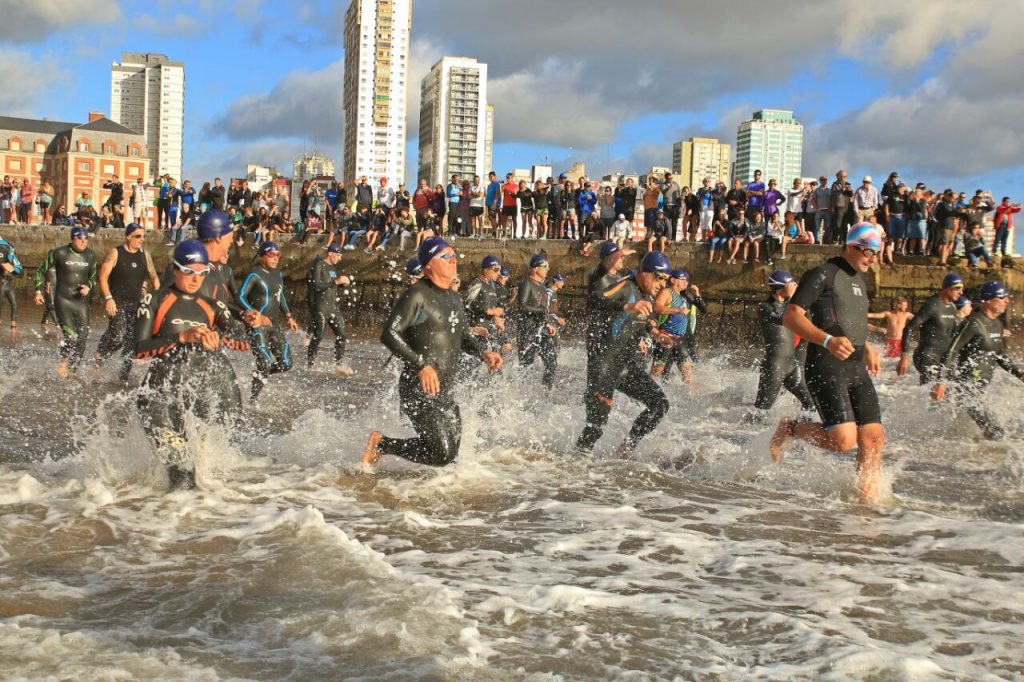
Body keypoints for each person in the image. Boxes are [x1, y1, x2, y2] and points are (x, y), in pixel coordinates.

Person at [361, 238, 504, 469]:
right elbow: (389, 334)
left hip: (444, 389)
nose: (453, 259)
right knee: (441, 454)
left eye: (453, 255)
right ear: (428, 265)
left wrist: (484, 353)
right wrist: (422, 365)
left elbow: (461, 336)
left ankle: (433, 495)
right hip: (419, 388)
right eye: (445, 256)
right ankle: (382, 445)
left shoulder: (454, 297)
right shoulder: (416, 294)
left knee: (451, 453)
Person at [771, 223, 886, 503]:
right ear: (851, 246)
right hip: (825, 363)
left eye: (877, 252)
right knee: (843, 441)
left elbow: (850, 321)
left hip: (855, 365)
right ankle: (790, 428)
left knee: (873, 437)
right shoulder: (822, 274)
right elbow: (792, 316)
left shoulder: (859, 280)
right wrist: (826, 341)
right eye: (869, 251)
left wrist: (868, 347)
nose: (873, 258)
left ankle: (866, 506)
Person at [135, 239, 248, 489]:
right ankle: (159, 520)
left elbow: (243, 339)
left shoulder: (210, 305)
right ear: (175, 269)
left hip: (186, 399)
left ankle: (178, 521)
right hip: (156, 400)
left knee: (199, 478)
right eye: (189, 271)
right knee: (183, 475)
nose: (196, 279)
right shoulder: (155, 300)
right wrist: (181, 337)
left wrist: (220, 337)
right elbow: (139, 350)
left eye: (202, 272)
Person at [577, 251, 673, 455]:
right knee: (595, 429)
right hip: (603, 367)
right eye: (660, 278)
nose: (662, 285)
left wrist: (655, 334)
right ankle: (571, 469)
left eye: (666, 280)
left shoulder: (645, 296)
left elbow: (633, 323)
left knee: (660, 405)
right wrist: (628, 306)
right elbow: (595, 299)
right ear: (645, 273)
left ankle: (626, 448)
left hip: (624, 366)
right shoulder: (627, 285)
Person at [932, 282, 1022, 439]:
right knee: (996, 433)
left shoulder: (998, 325)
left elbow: (999, 356)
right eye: (1002, 297)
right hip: (967, 389)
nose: (1007, 301)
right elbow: (951, 350)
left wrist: (1019, 373)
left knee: (991, 432)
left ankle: (968, 454)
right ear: (988, 300)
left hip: (981, 388)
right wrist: (941, 381)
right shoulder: (972, 323)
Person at [94, 223, 160, 381]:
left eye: (143, 237)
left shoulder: (145, 254)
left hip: (137, 304)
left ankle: (123, 376)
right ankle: (100, 356)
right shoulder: (116, 253)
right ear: (128, 236)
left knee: (133, 342)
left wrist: (157, 294)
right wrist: (108, 299)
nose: (141, 240)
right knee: (118, 337)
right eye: (138, 236)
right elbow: (103, 277)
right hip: (118, 302)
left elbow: (153, 276)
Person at [751, 271, 815, 420]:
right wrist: (790, 298)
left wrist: (799, 302)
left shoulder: (791, 304)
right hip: (774, 367)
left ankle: (794, 433)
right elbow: (785, 319)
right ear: (780, 288)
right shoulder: (765, 307)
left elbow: (808, 323)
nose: (794, 288)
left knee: (810, 405)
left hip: (792, 365)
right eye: (790, 286)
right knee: (761, 411)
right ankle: (740, 436)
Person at [34, 227, 97, 377]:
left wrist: (88, 287)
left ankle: (74, 370)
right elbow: (40, 271)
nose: (83, 241)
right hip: (64, 301)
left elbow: (93, 277)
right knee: (71, 336)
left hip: (81, 302)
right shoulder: (60, 253)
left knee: (83, 336)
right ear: (72, 239)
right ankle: (62, 364)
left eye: (86, 238)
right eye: (80, 238)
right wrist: (37, 291)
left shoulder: (90, 255)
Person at [239, 242, 299, 399]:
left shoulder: (277, 274)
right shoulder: (254, 274)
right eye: (271, 255)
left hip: (274, 326)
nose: (276, 258)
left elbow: (281, 296)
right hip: (257, 326)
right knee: (264, 362)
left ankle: (259, 374)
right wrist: (256, 313)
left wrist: (288, 316)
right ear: (262, 256)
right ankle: (252, 401)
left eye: (278, 255)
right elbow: (240, 296)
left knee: (286, 364)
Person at [898, 273, 963, 385]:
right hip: (927, 355)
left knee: (952, 389)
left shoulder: (953, 307)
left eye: (962, 289)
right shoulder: (932, 305)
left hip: (944, 357)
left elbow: (953, 335)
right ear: (947, 288)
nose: (961, 293)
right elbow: (909, 328)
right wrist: (904, 356)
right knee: (931, 387)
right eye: (957, 288)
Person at [306, 244, 354, 375]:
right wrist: (336, 282)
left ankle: (339, 364)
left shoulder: (332, 268)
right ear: (331, 253)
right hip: (320, 307)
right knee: (319, 335)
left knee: (342, 335)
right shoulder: (319, 265)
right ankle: (310, 364)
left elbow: (331, 286)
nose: (340, 259)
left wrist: (343, 284)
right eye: (338, 255)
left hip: (333, 307)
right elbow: (316, 286)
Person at [651, 270, 700, 385]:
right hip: (665, 336)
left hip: (680, 339)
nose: (686, 283)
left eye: (687, 281)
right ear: (673, 280)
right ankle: (643, 394)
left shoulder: (682, 297)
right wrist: (678, 310)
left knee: (687, 373)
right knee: (657, 371)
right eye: (683, 280)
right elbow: (657, 308)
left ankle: (691, 399)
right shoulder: (667, 292)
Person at [516, 254, 559, 384]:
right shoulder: (526, 283)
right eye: (545, 266)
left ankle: (546, 392)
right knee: (526, 366)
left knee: (551, 362)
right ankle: (519, 395)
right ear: (535, 268)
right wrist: (542, 311)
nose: (548, 269)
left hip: (540, 329)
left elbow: (543, 310)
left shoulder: (542, 286)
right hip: (527, 330)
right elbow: (522, 307)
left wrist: (548, 324)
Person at [463, 255, 505, 351]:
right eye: (496, 270)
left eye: (500, 270)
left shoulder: (491, 287)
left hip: (488, 332)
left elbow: (490, 309)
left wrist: (496, 319)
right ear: (486, 269)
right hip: (476, 331)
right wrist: (490, 311)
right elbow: (467, 305)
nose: (499, 274)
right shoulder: (476, 283)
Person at [0, 233, 24, 328]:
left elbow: (20, 271)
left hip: (8, 283)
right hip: (2, 283)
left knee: (14, 304)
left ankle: (13, 325)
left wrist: (12, 269)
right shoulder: (7, 248)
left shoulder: (8, 248)